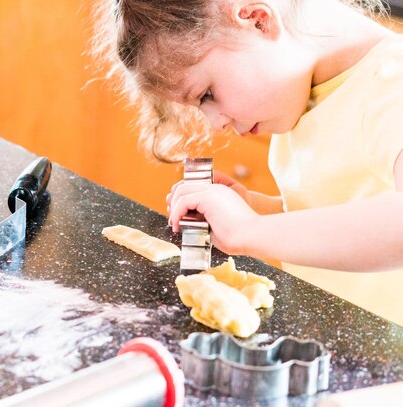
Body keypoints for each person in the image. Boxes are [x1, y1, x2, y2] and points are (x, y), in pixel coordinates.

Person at [94, 0, 403, 324]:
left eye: (206, 95)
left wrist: (251, 228)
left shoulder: (392, 80)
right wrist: (257, 208)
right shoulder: (301, 91)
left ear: (258, 20)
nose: (214, 123)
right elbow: (342, 212)